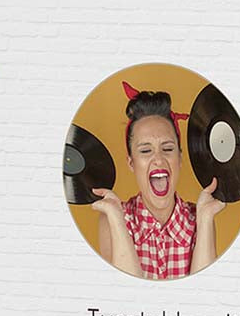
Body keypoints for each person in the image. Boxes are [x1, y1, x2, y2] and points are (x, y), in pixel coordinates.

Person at [92, 83, 223, 279]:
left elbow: (203, 291)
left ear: (180, 158)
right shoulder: (112, 218)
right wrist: (116, 218)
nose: (159, 159)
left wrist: (205, 219)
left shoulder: (201, 217)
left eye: (168, 149)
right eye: (145, 150)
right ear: (131, 163)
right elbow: (123, 293)